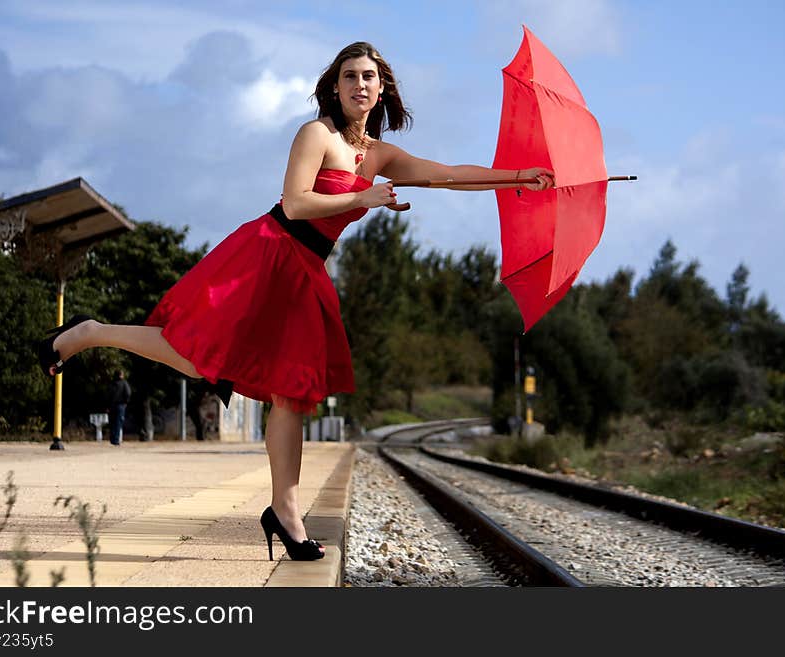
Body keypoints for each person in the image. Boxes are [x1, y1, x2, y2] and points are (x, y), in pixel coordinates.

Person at [37, 42, 554, 561]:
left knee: (290, 393)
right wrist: (362, 197)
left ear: (382, 88)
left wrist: (519, 178)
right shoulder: (317, 134)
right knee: (197, 361)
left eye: (369, 76)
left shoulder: (378, 154)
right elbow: (297, 203)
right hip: (267, 253)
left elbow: (445, 174)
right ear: (335, 85)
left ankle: (285, 512)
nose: (359, 85)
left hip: (306, 271)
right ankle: (89, 332)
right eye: (350, 75)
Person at [107, 370, 132, 445]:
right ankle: (116, 440)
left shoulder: (111, 383)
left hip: (111, 405)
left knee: (112, 422)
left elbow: (107, 395)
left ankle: (112, 439)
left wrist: (107, 405)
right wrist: (126, 402)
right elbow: (128, 393)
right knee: (118, 423)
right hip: (120, 405)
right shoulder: (124, 383)